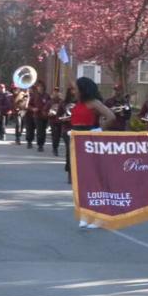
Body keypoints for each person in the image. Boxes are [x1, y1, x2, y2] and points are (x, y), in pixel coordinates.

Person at [69, 77, 116, 228]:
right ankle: (86, 214)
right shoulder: (79, 103)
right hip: (77, 142)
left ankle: (100, 215)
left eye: (76, 88)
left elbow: (111, 116)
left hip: (89, 142)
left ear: (83, 89)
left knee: (94, 180)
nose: (73, 91)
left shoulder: (94, 103)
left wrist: (98, 130)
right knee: (81, 181)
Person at [25, 80, 50, 150]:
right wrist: (33, 109)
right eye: (39, 87)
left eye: (41, 87)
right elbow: (29, 105)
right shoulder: (34, 96)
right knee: (39, 130)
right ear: (37, 88)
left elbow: (50, 104)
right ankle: (39, 145)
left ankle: (42, 143)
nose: (40, 88)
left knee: (43, 130)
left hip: (44, 116)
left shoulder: (47, 96)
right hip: (37, 115)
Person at [49, 86, 69, 157]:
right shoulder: (50, 101)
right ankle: (55, 149)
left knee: (65, 137)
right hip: (54, 121)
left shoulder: (64, 102)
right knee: (56, 136)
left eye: (58, 91)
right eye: (55, 91)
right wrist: (49, 113)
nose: (57, 93)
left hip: (64, 122)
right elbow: (45, 110)